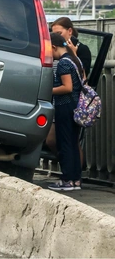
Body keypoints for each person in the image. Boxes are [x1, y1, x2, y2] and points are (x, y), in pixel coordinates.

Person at [46, 17, 92, 167]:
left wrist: (74, 54)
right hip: (56, 100)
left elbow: (81, 76)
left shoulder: (80, 50)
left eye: (59, 33)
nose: (57, 36)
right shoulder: (57, 50)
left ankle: (74, 170)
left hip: (71, 101)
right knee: (56, 140)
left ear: (70, 31)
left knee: (68, 140)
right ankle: (69, 166)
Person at [48, 33, 83, 191]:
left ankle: (67, 179)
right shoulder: (75, 59)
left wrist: (48, 90)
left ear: (54, 47)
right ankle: (76, 180)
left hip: (65, 106)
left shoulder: (63, 63)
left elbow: (67, 87)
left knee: (65, 143)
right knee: (74, 143)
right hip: (76, 106)